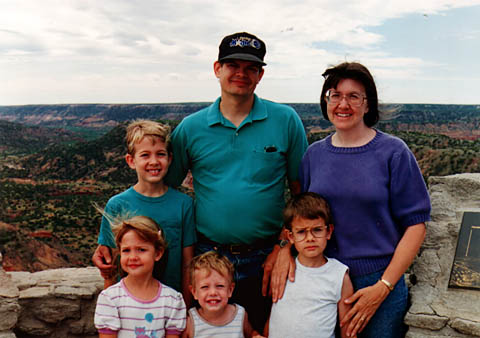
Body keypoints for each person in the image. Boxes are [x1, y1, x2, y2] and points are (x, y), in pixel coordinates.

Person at [165, 32, 308, 330]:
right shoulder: (191, 129)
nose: (241, 74)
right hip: (208, 260)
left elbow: (302, 194)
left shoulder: (285, 120)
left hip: (266, 259)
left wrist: (284, 246)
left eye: (251, 67)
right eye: (233, 66)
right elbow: (162, 191)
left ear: (261, 75)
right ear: (217, 69)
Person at [291, 62, 430, 338]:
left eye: (354, 96)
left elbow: (417, 225)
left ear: (368, 105)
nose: (343, 104)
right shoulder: (314, 155)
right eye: (335, 95)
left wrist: (383, 287)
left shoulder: (393, 153)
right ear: (326, 101)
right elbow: (302, 218)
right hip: (321, 277)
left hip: (378, 281)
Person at [92, 120, 196, 307]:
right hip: (128, 307)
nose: (154, 162)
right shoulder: (117, 205)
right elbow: (111, 267)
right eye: (145, 155)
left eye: (160, 154)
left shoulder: (184, 204)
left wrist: (186, 312)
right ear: (131, 161)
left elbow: (187, 264)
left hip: (170, 307)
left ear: (170, 159)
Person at [267, 192, 354, 338]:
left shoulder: (339, 275)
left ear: (329, 231)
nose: (310, 238)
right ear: (291, 236)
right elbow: (274, 316)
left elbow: (348, 331)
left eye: (317, 230)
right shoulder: (284, 270)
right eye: (301, 232)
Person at [94, 215, 186, 337]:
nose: (133, 257)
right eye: (126, 250)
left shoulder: (172, 300)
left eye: (141, 250)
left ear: (158, 253)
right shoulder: (110, 298)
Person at [182, 251, 264, 338]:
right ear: (194, 292)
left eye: (220, 286)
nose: (213, 293)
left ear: (230, 290)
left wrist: (256, 335)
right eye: (205, 287)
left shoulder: (240, 315)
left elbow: (251, 334)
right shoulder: (191, 322)